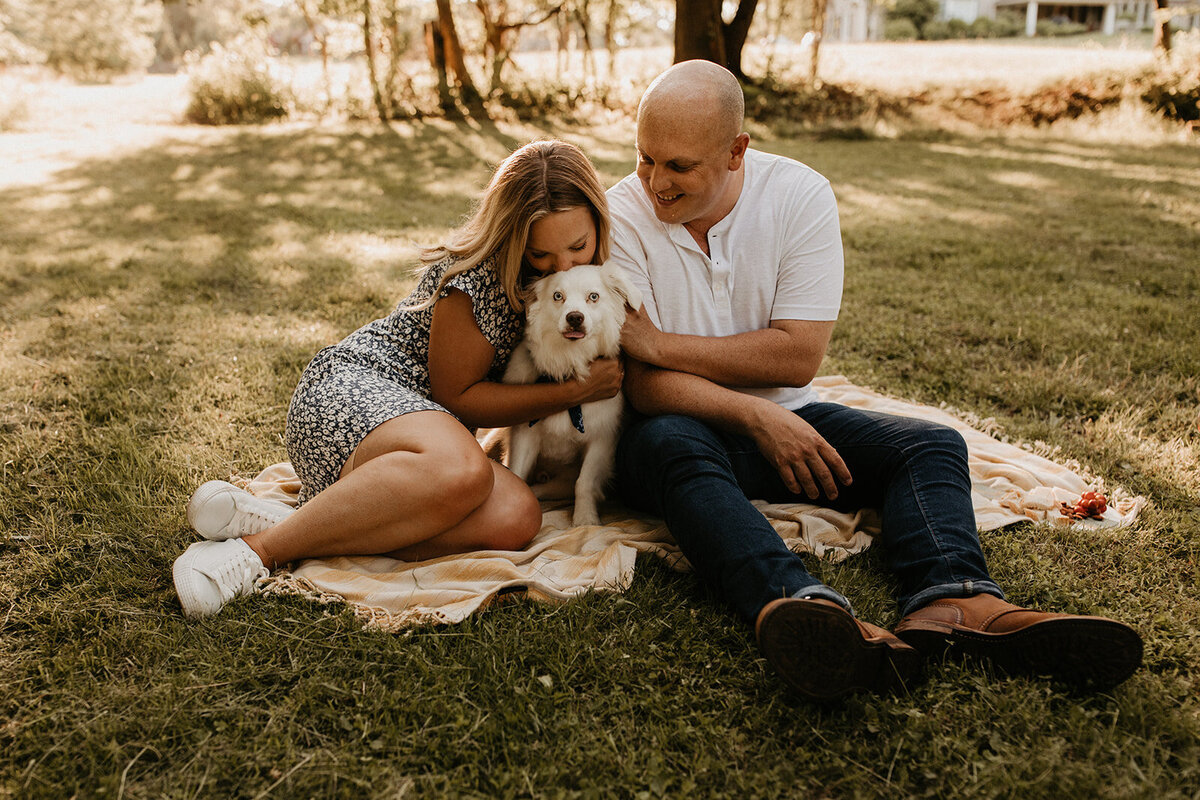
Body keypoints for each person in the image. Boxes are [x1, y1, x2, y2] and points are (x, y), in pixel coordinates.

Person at [608, 60, 1144, 702]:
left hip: (792, 418)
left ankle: (955, 601)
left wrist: (665, 346)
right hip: (676, 429)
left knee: (932, 444)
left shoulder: (798, 195)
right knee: (668, 439)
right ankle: (805, 609)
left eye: (679, 166)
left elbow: (795, 358)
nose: (655, 182)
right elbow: (645, 387)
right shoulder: (618, 217)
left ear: (736, 152)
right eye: (645, 158)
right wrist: (756, 416)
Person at [173, 139, 622, 618]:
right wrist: (573, 393)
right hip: (354, 392)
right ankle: (259, 551)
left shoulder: (593, 286)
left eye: (578, 247)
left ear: (598, 224)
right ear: (514, 238)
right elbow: (458, 397)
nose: (564, 267)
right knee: (463, 467)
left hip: (411, 460)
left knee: (518, 516)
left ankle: (298, 523)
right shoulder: (474, 280)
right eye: (541, 254)